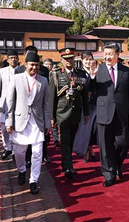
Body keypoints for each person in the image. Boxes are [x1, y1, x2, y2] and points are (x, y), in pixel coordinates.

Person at [89, 42, 129, 187]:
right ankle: (109, 174)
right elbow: (89, 90)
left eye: (110, 54)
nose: (107, 57)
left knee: (123, 142)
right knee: (105, 145)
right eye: (106, 54)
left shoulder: (126, 71)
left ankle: (116, 164)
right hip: (104, 112)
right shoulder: (98, 69)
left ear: (117, 55)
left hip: (121, 113)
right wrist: (91, 76)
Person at [5, 51, 51, 194]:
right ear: (25, 64)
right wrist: (8, 121)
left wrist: (47, 124)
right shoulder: (16, 78)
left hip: (37, 122)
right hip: (20, 121)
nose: (34, 68)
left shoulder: (43, 81)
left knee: (37, 153)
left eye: (37, 65)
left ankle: (34, 180)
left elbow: (46, 104)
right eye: (32, 65)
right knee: (19, 152)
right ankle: (22, 170)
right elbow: (10, 102)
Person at [48, 48, 89, 179]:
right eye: (66, 59)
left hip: (76, 113)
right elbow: (52, 98)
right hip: (62, 113)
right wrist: (52, 117)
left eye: (71, 58)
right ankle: (69, 167)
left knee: (71, 140)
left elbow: (84, 96)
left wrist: (86, 113)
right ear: (61, 60)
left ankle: (65, 162)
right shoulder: (56, 74)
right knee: (65, 141)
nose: (69, 61)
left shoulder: (81, 74)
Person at [73, 51, 98, 162]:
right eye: (86, 59)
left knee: (93, 128)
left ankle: (91, 148)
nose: (88, 62)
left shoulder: (97, 71)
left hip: (94, 104)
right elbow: (82, 89)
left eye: (90, 59)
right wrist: (91, 76)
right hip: (84, 104)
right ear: (82, 61)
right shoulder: (79, 73)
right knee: (85, 128)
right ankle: (86, 151)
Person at [0, 50, 19, 160]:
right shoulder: (2, 71)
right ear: (7, 59)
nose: (13, 60)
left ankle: (14, 150)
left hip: (18, 103)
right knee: (4, 128)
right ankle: (7, 148)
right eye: (11, 58)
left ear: (18, 59)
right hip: (5, 104)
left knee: (16, 128)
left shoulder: (22, 71)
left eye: (15, 57)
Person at [43, 58, 60, 149]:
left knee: (54, 121)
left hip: (54, 100)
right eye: (46, 64)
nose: (47, 66)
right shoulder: (41, 74)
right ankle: (48, 138)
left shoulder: (55, 74)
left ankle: (56, 139)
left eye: (49, 64)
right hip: (44, 102)